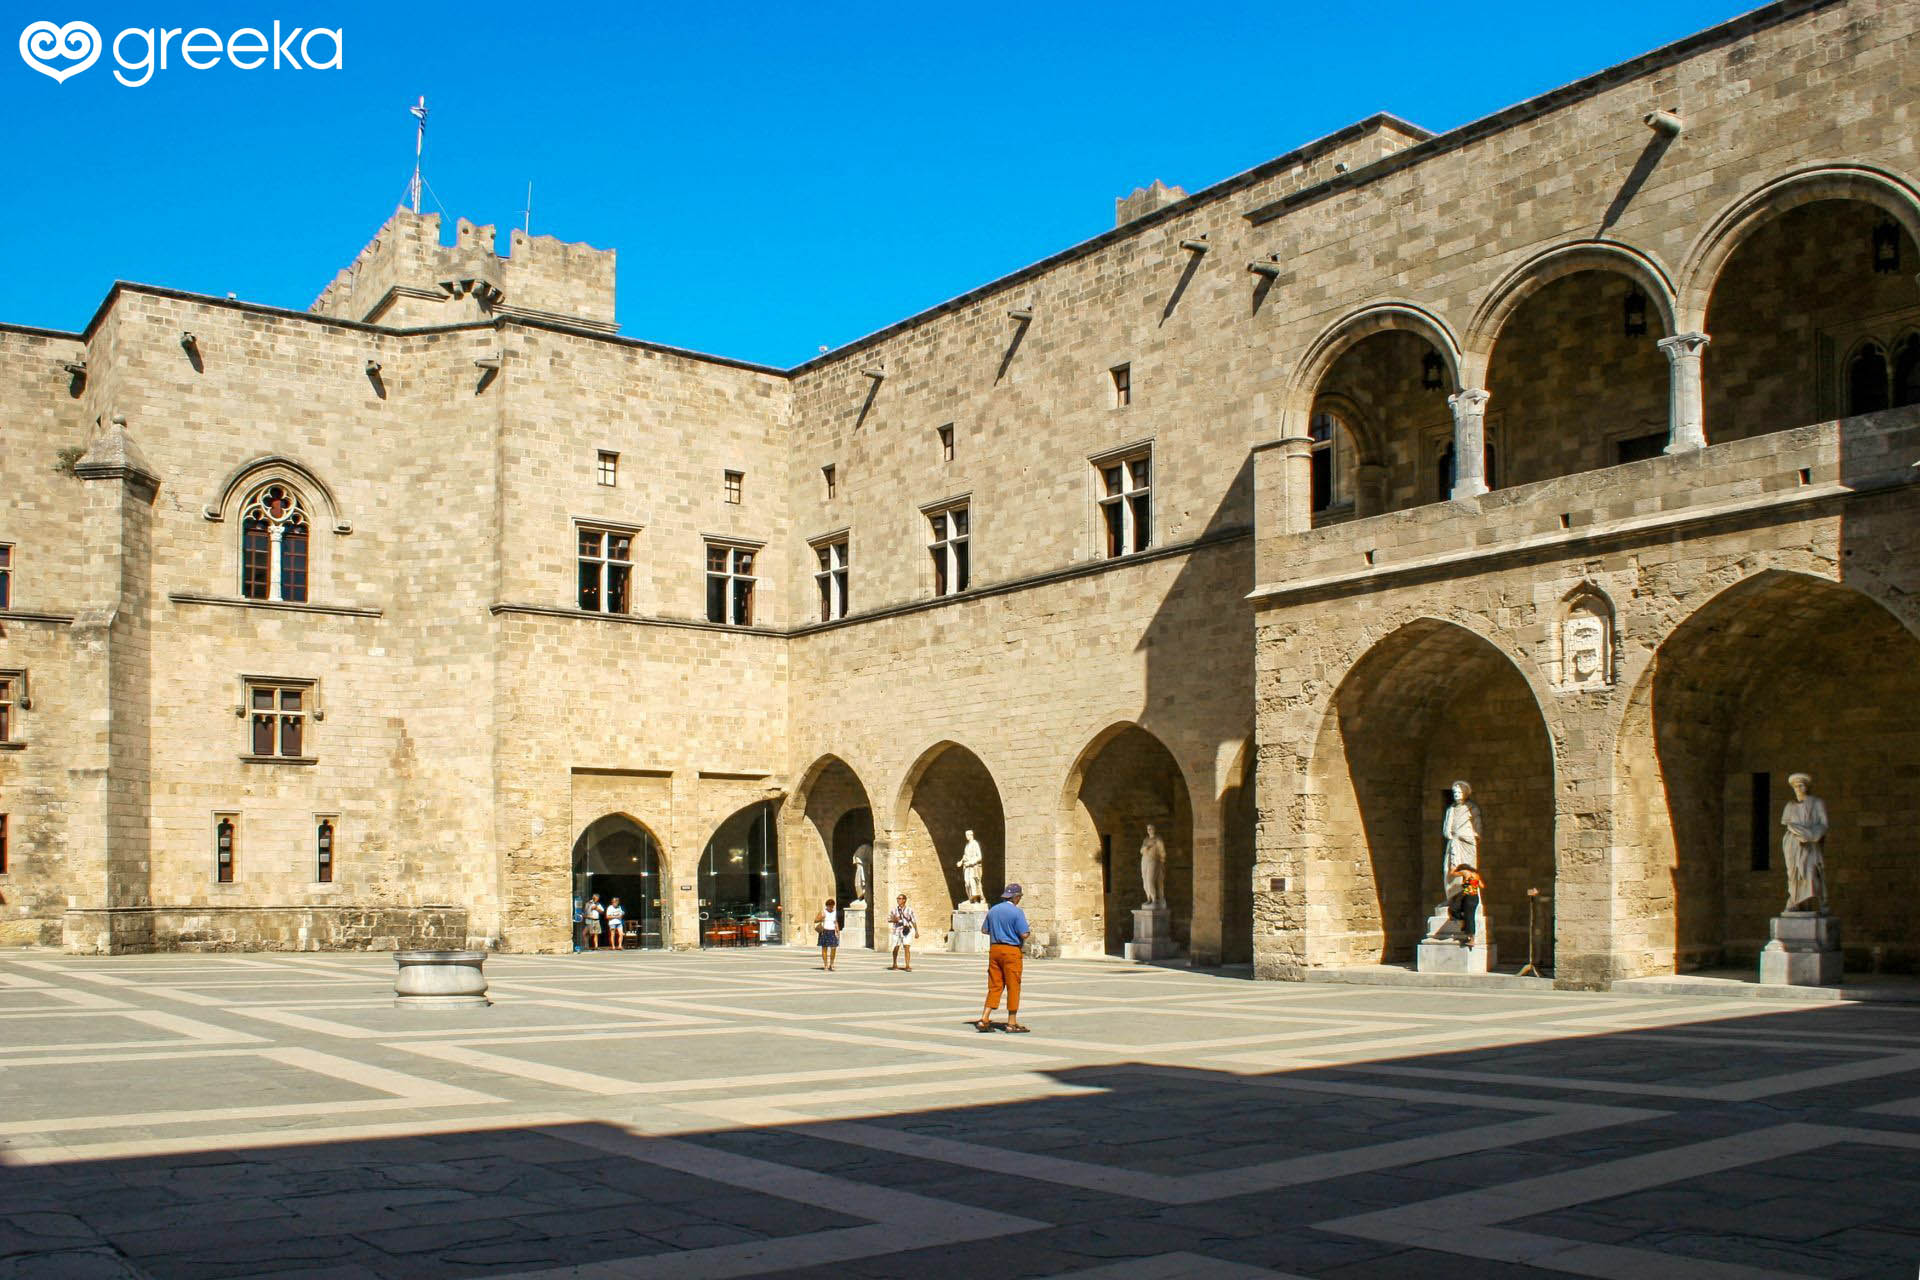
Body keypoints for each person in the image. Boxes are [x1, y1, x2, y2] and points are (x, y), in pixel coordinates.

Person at [976, 883, 1031, 1032]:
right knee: (1013, 985)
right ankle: (1011, 1023)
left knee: (995, 984)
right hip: (1011, 950)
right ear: (1016, 897)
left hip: (994, 950)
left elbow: (984, 930)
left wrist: (999, 931)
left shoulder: (993, 910)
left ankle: (984, 1018)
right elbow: (1024, 934)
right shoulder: (1017, 912)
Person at [1781, 772, 1829, 913]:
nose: (1798, 789)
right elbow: (1788, 824)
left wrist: (1811, 835)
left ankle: (1822, 902)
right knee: (1794, 874)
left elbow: (1824, 824)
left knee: (1811, 872)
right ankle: (1795, 901)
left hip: (1810, 843)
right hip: (1793, 845)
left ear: (1806, 787)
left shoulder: (1817, 803)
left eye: (1801, 785)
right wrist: (1798, 832)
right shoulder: (1790, 805)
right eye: (1795, 786)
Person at [1447, 864, 1484, 947]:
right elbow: (1482, 886)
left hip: (1468, 897)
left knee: (1466, 915)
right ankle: (1465, 925)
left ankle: (1472, 939)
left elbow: (1452, 874)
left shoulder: (1465, 872)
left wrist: (1453, 869)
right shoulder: (1476, 875)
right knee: (1467, 915)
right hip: (1475, 898)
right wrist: (1473, 883)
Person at [888, 894, 917, 970]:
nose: (898, 900)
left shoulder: (909, 910)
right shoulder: (894, 910)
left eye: (900, 898)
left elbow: (913, 920)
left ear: (904, 900)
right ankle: (894, 964)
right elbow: (889, 919)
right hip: (896, 930)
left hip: (906, 930)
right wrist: (894, 920)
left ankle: (907, 965)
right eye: (897, 898)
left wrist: (916, 931)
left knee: (907, 947)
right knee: (896, 947)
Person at [814, 897, 842, 971]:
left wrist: (838, 931)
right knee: (824, 949)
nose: (831, 907)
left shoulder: (835, 912)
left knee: (833, 948)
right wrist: (822, 918)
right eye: (829, 906)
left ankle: (832, 964)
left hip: (832, 931)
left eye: (832, 905)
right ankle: (825, 965)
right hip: (824, 931)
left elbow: (835, 922)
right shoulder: (823, 912)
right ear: (827, 906)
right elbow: (815, 920)